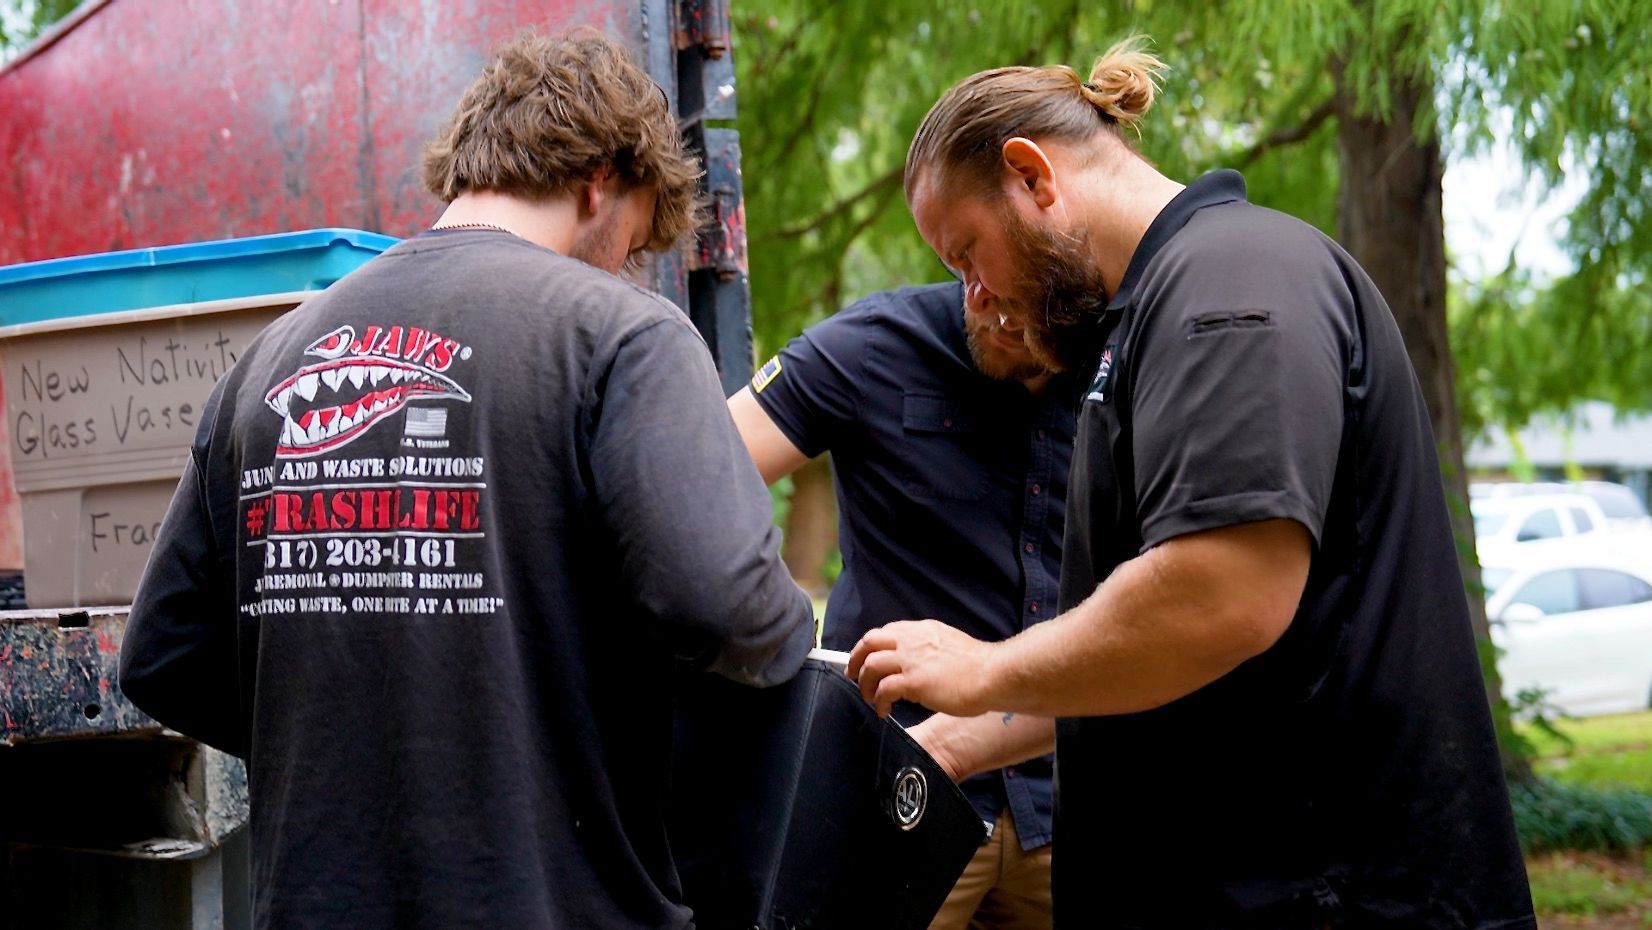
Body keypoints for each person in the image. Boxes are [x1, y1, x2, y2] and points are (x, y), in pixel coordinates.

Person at [118, 31, 814, 929]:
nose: (623, 269)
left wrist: (348, 729)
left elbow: (164, 658)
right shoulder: (622, 334)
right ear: (600, 178)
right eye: (632, 241)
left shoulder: (270, 359)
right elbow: (730, 607)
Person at [848, 38, 1536, 929]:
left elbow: (1222, 595)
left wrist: (986, 667)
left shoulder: (1229, 281)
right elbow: (1148, 658)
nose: (975, 298)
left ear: (1031, 176)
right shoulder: (1148, 319)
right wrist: (970, 737)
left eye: (968, 256)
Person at [728, 279, 1073, 928]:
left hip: (1070, 801)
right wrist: (779, 636)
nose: (994, 306)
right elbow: (687, 480)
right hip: (889, 797)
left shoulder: (1124, 362)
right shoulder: (870, 345)